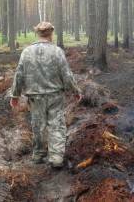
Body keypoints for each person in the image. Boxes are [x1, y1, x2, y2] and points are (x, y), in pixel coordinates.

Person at [8, 22, 81, 168]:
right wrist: (75, 91)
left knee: (38, 126)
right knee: (56, 125)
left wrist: (14, 95)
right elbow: (66, 74)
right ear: (51, 33)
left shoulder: (27, 52)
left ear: (37, 33)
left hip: (35, 97)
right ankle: (56, 158)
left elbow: (19, 74)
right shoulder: (57, 51)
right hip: (55, 96)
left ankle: (38, 154)